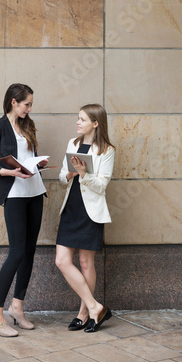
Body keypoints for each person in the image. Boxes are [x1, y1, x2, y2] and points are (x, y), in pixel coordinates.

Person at [0, 83, 48, 337]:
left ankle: (17, 307)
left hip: (34, 192)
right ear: (13, 102)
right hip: (14, 195)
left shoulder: (27, 125)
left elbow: (28, 157)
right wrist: (10, 171)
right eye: (27, 104)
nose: (29, 108)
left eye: (30, 104)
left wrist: (37, 164)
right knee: (16, 252)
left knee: (29, 252)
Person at [55, 104, 115, 333]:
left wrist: (84, 174)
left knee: (86, 263)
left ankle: (83, 313)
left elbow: (102, 186)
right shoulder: (74, 143)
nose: (78, 122)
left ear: (95, 123)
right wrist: (70, 173)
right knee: (61, 260)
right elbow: (62, 178)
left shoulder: (107, 150)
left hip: (91, 211)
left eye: (82, 119)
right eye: (78, 118)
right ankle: (95, 307)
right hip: (71, 208)